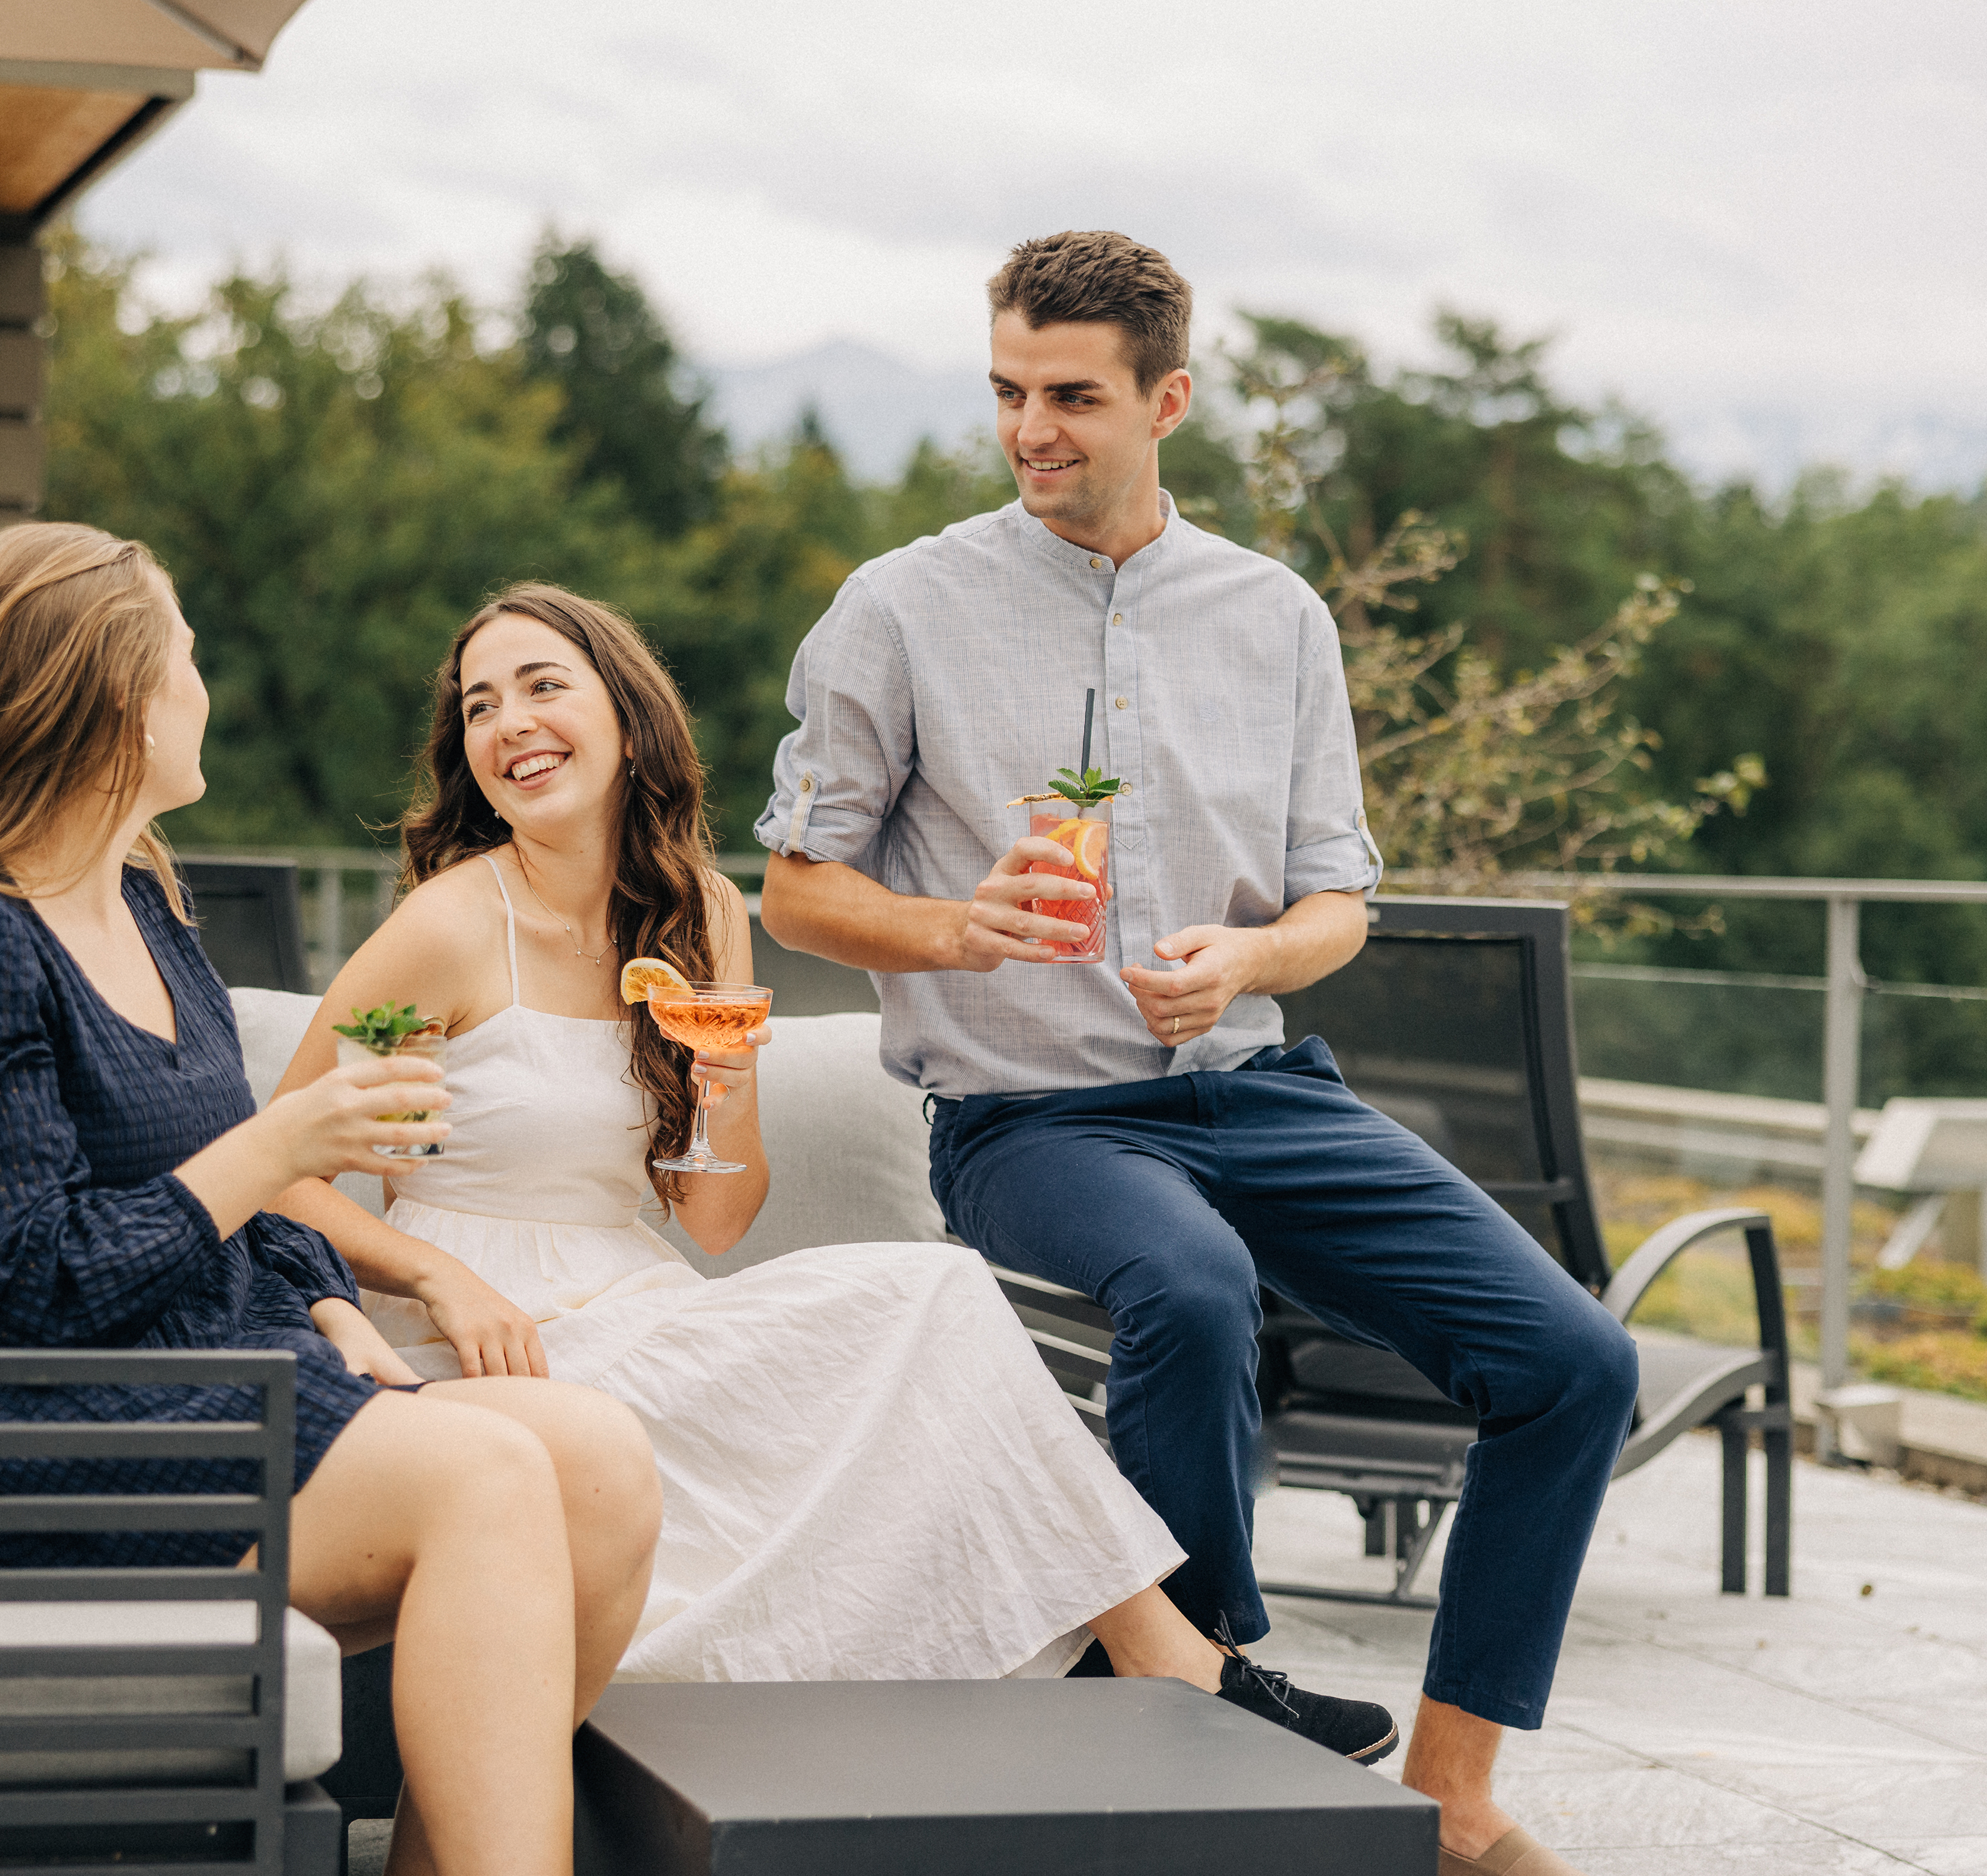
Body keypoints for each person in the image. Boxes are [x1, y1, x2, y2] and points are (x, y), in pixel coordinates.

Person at [752, 230, 1639, 1876]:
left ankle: (1452, 1799)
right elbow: (796, 890)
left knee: (1578, 1368)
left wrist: (1252, 954)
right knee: (1190, 1282)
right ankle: (1212, 1710)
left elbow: (1335, 902)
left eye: (1073, 397)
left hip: (1261, 1089)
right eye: (1010, 391)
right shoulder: (900, 609)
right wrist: (960, 929)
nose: (1033, 430)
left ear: (1169, 398)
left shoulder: (1274, 616)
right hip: (1031, 1124)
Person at [264, 582, 1396, 1762]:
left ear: (626, 711)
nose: (510, 725)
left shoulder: (700, 916)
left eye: (544, 686)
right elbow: (278, 1169)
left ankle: (1150, 1658)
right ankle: (1176, 1666)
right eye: (479, 706)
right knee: (924, 1325)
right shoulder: (444, 927)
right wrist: (438, 1281)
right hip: (487, 1331)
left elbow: (716, 1217)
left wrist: (717, 1073)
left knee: (939, 1299)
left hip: (642, 1298)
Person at [0, 522, 660, 1876]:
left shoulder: (144, 907)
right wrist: (280, 1146)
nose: (207, 686)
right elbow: (16, 1285)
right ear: (121, 700)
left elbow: (196, 1190)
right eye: (187, 656)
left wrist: (320, 1296)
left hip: (184, 1371)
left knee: (596, 1460)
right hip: (4, 1435)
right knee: (483, 1476)